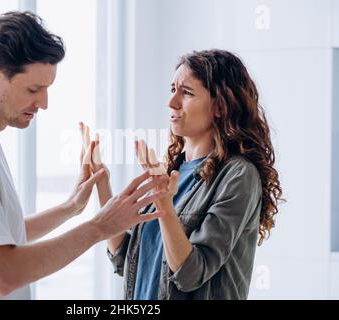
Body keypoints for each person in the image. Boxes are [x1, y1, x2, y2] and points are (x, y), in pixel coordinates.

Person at [0, 11, 168, 300]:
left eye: (47, 89)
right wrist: (100, 227)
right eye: (33, 89)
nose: (44, 103)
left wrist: (71, 207)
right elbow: (3, 274)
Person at [84, 49, 283, 299]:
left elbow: (190, 273)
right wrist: (102, 182)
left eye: (186, 93)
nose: (172, 102)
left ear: (220, 106)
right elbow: (125, 259)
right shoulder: (171, 172)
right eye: (172, 90)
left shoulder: (239, 176)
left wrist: (164, 205)